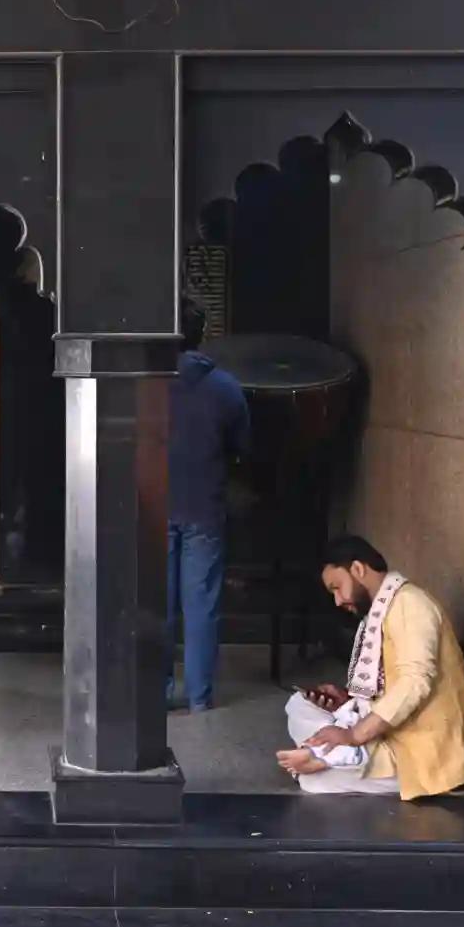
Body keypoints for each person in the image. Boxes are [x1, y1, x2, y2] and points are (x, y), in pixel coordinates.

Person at [276, 536, 464, 798]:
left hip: (416, 750)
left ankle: (335, 754)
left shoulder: (411, 604)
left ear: (358, 569)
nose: (337, 600)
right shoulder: (382, 609)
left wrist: (355, 735)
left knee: (315, 782)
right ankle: (333, 752)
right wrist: (346, 701)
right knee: (299, 704)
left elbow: (415, 682)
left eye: (337, 587)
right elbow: (385, 684)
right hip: (389, 732)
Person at [166, 295, 250, 711]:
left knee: (155, 603)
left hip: (152, 506)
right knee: (201, 606)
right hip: (205, 505)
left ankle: (157, 691)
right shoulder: (227, 387)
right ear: (203, 335)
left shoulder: (144, 382)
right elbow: (241, 446)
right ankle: (200, 698)